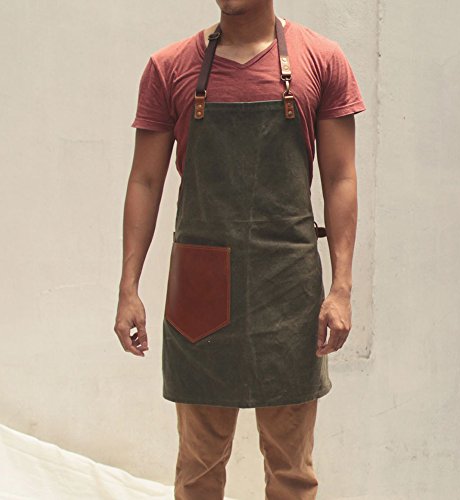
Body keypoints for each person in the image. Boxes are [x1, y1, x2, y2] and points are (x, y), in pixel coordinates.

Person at [114, 1, 366, 498]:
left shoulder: (322, 60)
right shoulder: (169, 67)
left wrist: (341, 288)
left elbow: (341, 177)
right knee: (198, 469)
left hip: (288, 286)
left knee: (291, 471)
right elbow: (145, 180)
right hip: (199, 290)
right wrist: (128, 288)